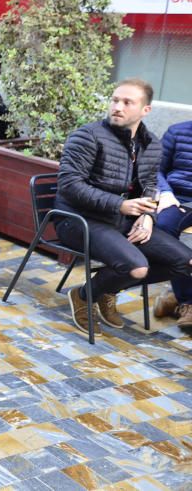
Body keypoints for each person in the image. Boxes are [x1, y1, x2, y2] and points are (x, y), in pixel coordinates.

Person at [55, 79, 192, 337]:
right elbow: (69, 185)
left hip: (122, 221)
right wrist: (121, 205)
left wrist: (148, 216)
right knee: (136, 267)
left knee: (186, 262)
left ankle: (107, 289)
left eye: (127, 102)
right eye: (115, 100)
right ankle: (83, 295)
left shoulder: (151, 143)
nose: (118, 107)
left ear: (145, 110)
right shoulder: (87, 136)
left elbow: (150, 186)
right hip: (79, 220)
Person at [154, 119, 192, 331]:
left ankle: (171, 300)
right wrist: (166, 192)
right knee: (163, 229)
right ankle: (187, 301)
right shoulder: (177, 132)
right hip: (177, 199)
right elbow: (155, 169)